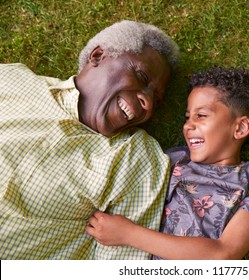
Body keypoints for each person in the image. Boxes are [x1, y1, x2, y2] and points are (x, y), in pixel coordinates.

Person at [0, 20, 180, 260]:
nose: (147, 103)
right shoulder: (12, 80)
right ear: (97, 56)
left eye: (155, 100)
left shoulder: (134, 158)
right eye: (140, 76)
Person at [86, 67, 249, 259]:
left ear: (240, 128)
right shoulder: (173, 160)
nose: (188, 125)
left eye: (201, 115)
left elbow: (224, 254)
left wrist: (128, 234)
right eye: (187, 116)